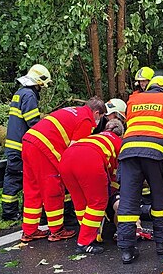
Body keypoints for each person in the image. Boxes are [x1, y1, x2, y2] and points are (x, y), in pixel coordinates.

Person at [116, 76, 163, 264]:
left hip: (129, 153)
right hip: (157, 154)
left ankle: (126, 250)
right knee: (160, 199)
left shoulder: (134, 99)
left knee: (128, 202)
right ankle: (162, 244)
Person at [20, 97, 106, 242]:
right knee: (53, 188)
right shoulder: (86, 120)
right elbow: (76, 150)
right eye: (101, 117)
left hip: (29, 140)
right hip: (44, 148)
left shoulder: (75, 111)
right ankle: (57, 230)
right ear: (96, 113)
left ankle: (29, 230)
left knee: (32, 188)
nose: (98, 122)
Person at [59, 119, 124, 254]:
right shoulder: (119, 143)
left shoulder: (95, 136)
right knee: (98, 202)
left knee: (80, 201)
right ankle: (84, 242)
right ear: (121, 134)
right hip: (89, 160)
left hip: (66, 158)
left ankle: (89, 234)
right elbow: (117, 174)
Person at [1, 64, 51, 221]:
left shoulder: (20, 93)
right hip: (21, 147)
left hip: (12, 145)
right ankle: (16, 213)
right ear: (38, 82)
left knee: (12, 178)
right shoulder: (29, 95)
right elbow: (32, 121)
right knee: (23, 179)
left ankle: (10, 212)